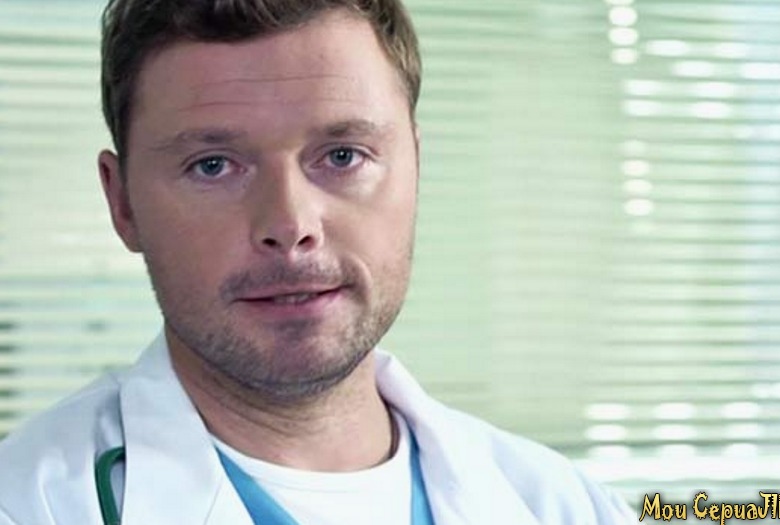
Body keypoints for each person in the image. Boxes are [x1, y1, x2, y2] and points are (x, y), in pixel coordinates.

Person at [0, 1, 636, 523]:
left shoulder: (565, 505)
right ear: (123, 204)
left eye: (342, 156)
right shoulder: (28, 504)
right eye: (213, 165)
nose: (290, 226)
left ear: (416, 168)